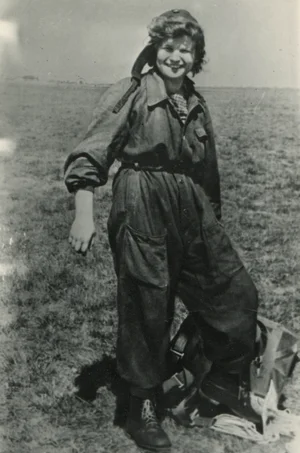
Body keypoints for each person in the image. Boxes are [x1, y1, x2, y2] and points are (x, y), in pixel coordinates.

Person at [64, 9, 259, 452]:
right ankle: (142, 408)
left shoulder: (195, 101)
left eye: (185, 50)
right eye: (168, 47)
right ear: (155, 49)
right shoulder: (132, 91)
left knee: (236, 294)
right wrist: (84, 212)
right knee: (146, 304)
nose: (175, 56)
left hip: (191, 209)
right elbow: (91, 151)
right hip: (141, 199)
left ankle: (219, 389)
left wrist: (210, 222)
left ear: (196, 57)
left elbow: (207, 174)